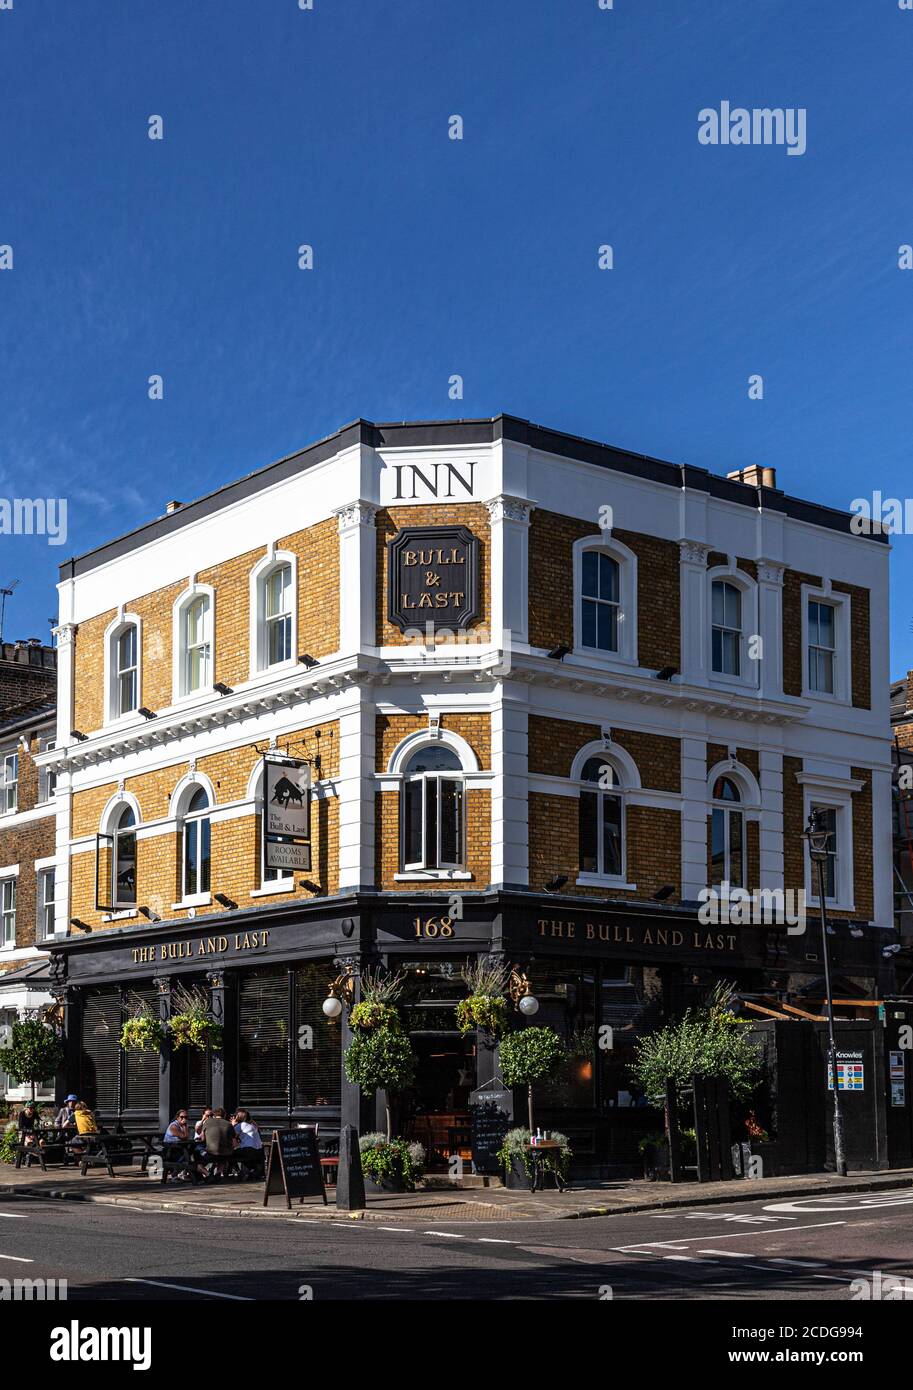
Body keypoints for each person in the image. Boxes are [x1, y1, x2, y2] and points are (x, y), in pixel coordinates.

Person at [200, 1107, 236, 1178]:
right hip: (226, 1153)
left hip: (211, 1152)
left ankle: (208, 1174)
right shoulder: (229, 1124)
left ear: (214, 1115)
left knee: (196, 1158)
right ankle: (218, 1173)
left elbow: (203, 1138)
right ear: (224, 1115)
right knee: (222, 1156)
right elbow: (234, 1141)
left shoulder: (207, 1122)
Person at [231, 1109, 263, 1180]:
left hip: (249, 1150)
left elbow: (231, 1135)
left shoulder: (241, 1125)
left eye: (235, 1116)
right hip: (259, 1150)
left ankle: (239, 1172)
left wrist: (233, 1125)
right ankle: (251, 1170)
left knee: (229, 1154)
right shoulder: (253, 1124)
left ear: (238, 1117)